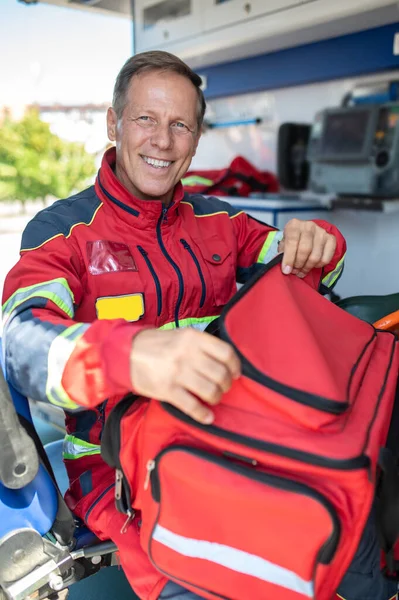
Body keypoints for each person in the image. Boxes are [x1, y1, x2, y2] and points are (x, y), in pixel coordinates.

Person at [1, 50, 390, 600]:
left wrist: (321, 241)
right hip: (123, 477)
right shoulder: (61, 232)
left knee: (349, 537)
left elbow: (307, 261)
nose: (163, 140)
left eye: (180, 124)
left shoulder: (219, 220)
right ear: (114, 124)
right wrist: (133, 356)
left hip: (237, 439)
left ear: (196, 138)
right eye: (146, 119)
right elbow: (21, 343)